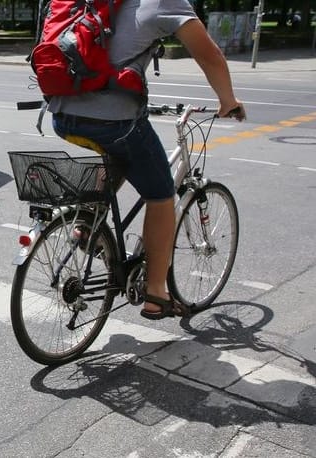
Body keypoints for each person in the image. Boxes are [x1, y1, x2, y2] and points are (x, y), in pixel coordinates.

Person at [47, 0, 246, 320]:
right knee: (161, 193)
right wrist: (228, 100)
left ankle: (88, 227)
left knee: (119, 154)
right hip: (114, 120)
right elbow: (208, 55)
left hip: (62, 111)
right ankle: (156, 293)